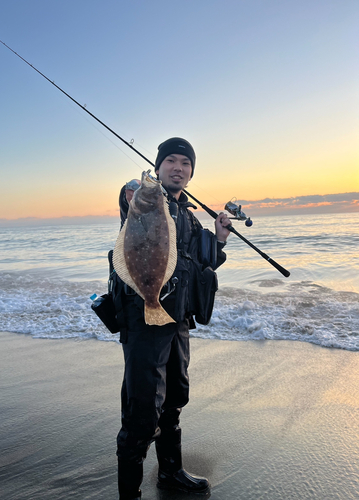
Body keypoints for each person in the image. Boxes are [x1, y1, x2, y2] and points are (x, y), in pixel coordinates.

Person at [114, 138, 231, 500]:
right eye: (171, 161)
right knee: (142, 411)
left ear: (191, 171)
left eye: (185, 163)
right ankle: (129, 494)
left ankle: (170, 472)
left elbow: (201, 263)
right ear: (158, 166)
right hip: (144, 320)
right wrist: (138, 190)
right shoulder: (145, 200)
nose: (178, 168)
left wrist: (221, 240)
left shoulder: (190, 216)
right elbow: (128, 194)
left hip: (177, 319)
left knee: (175, 399)